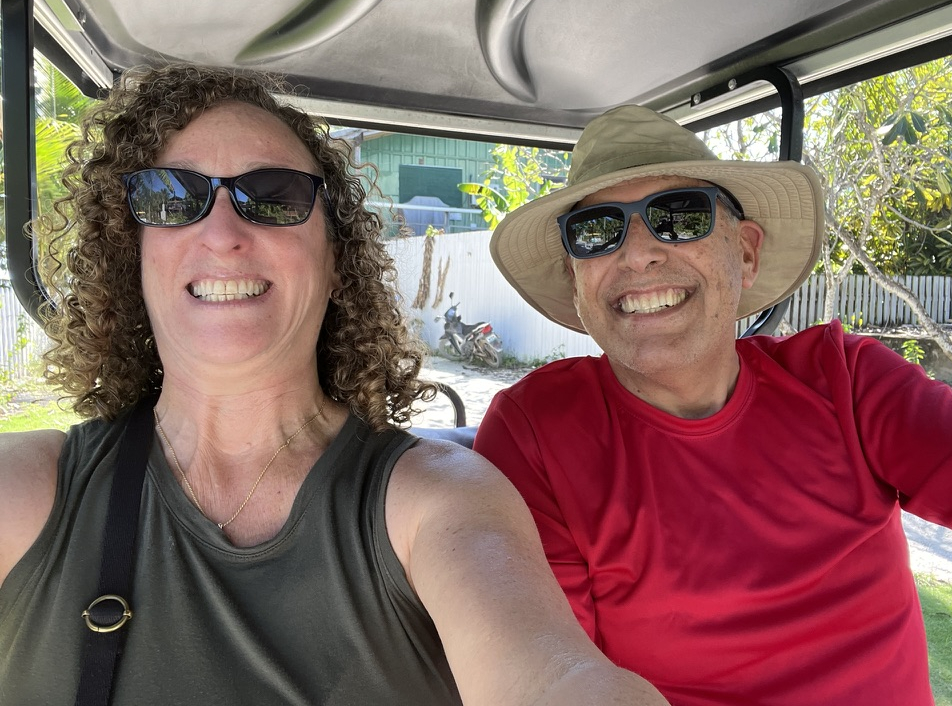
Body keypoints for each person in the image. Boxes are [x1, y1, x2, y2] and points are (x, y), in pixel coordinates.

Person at [0, 66, 670, 706]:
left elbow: (553, 678)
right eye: (172, 198)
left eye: (274, 195)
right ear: (132, 252)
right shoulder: (28, 489)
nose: (222, 233)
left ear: (335, 259)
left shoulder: (438, 499)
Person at [475, 104, 952, 705]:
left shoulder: (845, 380)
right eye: (596, 231)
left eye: (679, 217)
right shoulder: (536, 433)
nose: (637, 255)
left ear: (746, 253)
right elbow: (553, 670)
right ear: (576, 279)